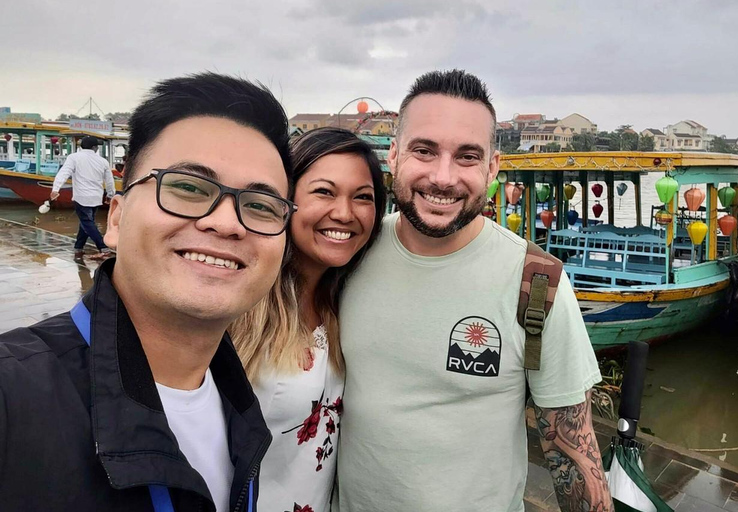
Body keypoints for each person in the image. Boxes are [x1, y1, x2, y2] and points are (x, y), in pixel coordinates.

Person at [0, 72, 295, 511]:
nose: (227, 222)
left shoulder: (239, 404)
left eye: (260, 206)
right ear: (116, 219)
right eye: (189, 188)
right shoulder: (15, 397)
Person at [334, 70, 613, 512]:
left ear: (492, 167)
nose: (443, 178)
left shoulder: (537, 282)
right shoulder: (349, 256)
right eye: (424, 151)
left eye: (467, 157)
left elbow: (573, 452)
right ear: (393, 156)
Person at [230, 127, 386, 512]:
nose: (344, 213)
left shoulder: (344, 302)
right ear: (286, 199)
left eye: (362, 198)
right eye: (324, 192)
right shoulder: (241, 301)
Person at [51, 135, 116, 260]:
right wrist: (110, 194)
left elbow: (64, 173)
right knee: (86, 223)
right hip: (96, 197)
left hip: (81, 197)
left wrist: (55, 189)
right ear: (94, 147)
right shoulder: (103, 161)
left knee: (87, 223)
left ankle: (103, 248)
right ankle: (78, 248)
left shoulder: (74, 158)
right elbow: (109, 180)